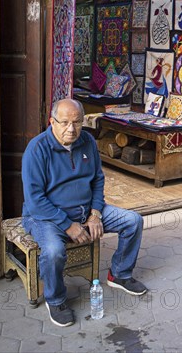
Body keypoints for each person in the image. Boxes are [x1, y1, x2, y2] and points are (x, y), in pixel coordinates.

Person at [22, 98, 147, 327]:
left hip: (86, 210)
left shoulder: (87, 141)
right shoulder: (37, 149)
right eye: (65, 122)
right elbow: (35, 200)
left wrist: (96, 213)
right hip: (47, 216)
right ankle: (56, 299)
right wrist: (67, 224)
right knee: (53, 250)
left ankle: (119, 274)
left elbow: (98, 180)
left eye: (77, 122)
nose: (71, 129)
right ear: (52, 122)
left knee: (133, 221)